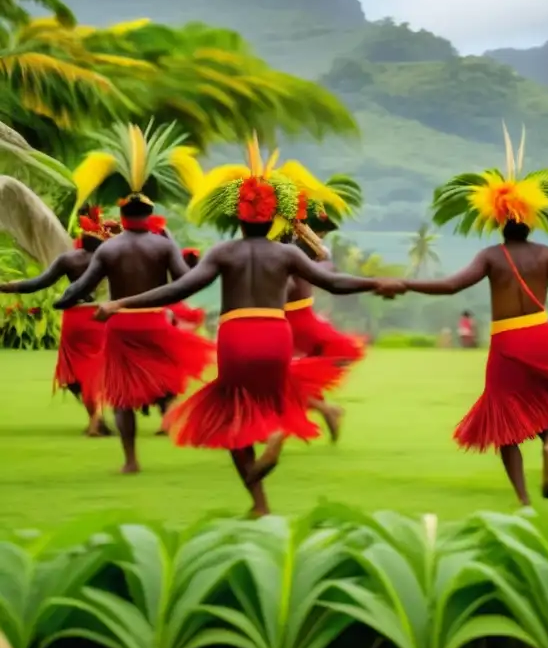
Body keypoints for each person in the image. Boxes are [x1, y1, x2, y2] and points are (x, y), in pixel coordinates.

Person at [93, 146, 395, 516]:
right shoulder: (288, 255)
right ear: (272, 219)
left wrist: (120, 303)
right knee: (274, 400)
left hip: (236, 338)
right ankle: (277, 433)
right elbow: (335, 283)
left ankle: (260, 503)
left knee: (234, 415)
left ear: (238, 217)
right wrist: (375, 282)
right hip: (275, 335)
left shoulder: (222, 253)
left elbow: (177, 289)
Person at [401, 124, 548, 506]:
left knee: (503, 419)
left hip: (508, 340)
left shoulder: (492, 257)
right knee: (544, 399)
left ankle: (524, 499)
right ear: (530, 220)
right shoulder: (545, 256)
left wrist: (407, 285)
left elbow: (450, 286)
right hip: (541, 336)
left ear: (498, 219)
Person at [54, 121, 212, 473]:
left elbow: (83, 287)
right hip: (156, 323)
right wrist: (190, 264)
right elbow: (186, 282)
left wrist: (64, 300)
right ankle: (168, 417)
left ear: (122, 217)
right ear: (149, 215)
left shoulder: (109, 251)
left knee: (122, 396)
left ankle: (130, 460)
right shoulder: (162, 244)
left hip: (121, 328)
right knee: (166, 376)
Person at [0, 207, 115, 436]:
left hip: (75, 319)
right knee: (95, 370)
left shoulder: (69, 259)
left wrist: (6, 286)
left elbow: (38, 283)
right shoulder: (111, 260)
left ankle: (95, 418)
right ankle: (96, 418)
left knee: (74, 373)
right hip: (101, 317)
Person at [281, 221, 363, 442]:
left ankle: (327, 411)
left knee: (279, 380)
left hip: (296, 325)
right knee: (295, 380)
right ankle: (328, 412)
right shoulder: (296, 255)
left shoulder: (298, 258)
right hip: (299, 323)